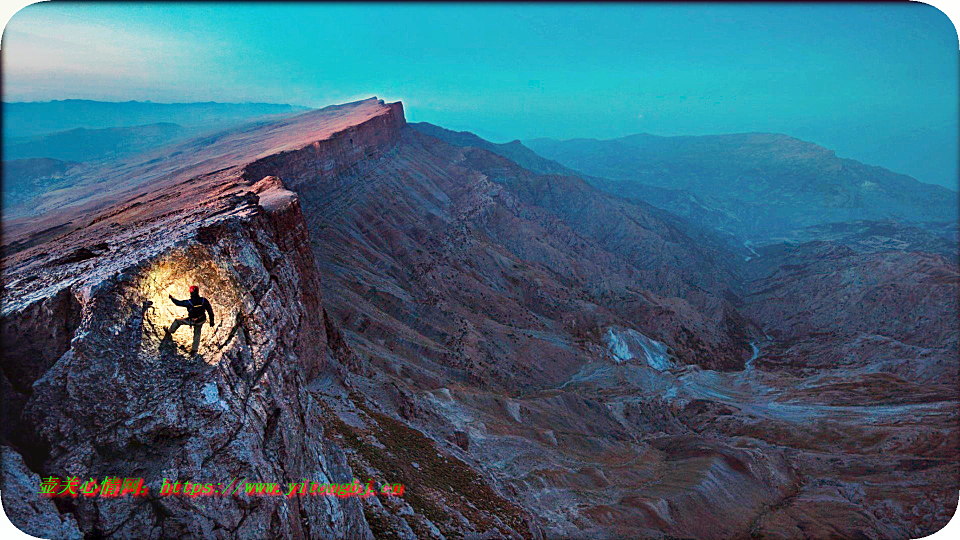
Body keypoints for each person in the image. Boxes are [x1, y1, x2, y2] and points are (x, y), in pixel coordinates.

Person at [164, 285, 215, 355]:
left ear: (191, 293)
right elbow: (210, 311)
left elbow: (178, 303)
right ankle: (194, 350)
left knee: (177, 321)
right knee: (197, 333)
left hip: (192, 320)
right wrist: (212, 321)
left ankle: (170, 331)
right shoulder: (204, 300)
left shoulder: (189, 302)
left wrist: (172, 298)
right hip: (201, 320)